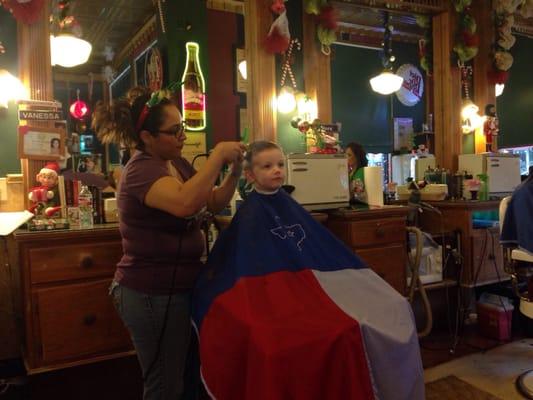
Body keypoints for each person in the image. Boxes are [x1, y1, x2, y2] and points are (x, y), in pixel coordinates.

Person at [192, 141, 424, 400]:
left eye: (280, 165)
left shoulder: (289, 206)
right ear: (250, 174)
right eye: (267, 166)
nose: (277, 171)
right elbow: (247, 261)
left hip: (308, 288)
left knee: (395, 305)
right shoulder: (249, 214)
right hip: (273, 295)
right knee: (271, 341)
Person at [93, 88, 245, 400]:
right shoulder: (140, 170)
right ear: (147, 137)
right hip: (151, 293)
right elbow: (186, 203)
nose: (182, 136)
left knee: (184, 378)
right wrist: (216, 156)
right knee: (164, 386)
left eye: (183, 128)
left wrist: (235, 172)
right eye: (174, 131)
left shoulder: (177, 163)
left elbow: (212, 202)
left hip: (178, 289)